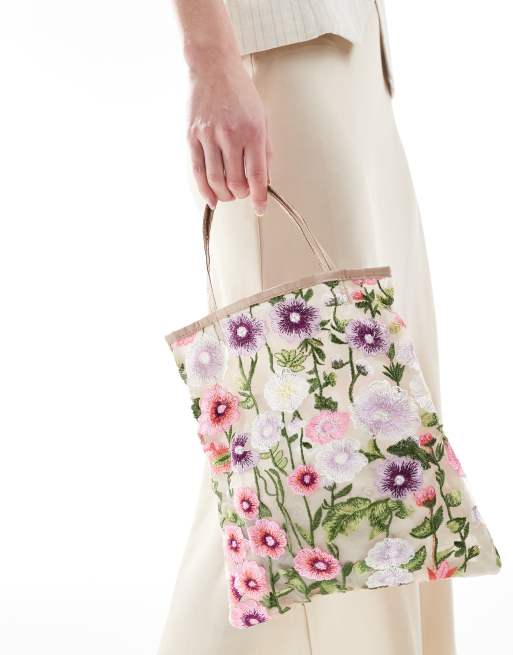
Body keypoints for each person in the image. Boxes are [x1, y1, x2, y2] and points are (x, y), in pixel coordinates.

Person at [158, 1, 456, 653]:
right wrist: (211, 61)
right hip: (280, 51)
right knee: (299, 455)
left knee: (382, 430)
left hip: (356, 53)